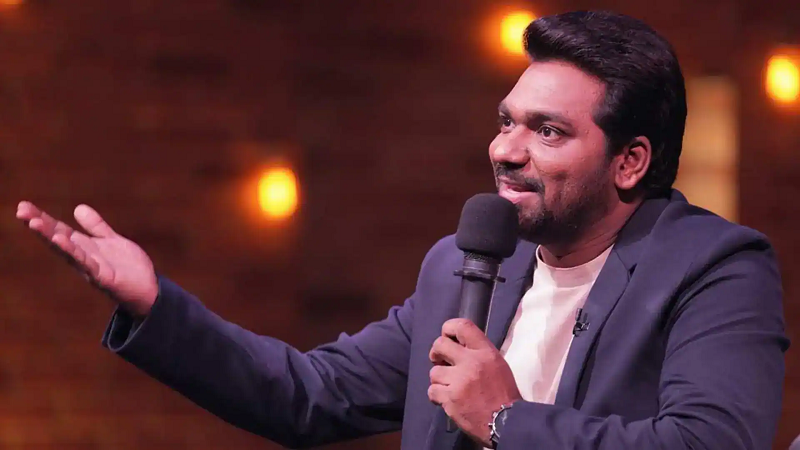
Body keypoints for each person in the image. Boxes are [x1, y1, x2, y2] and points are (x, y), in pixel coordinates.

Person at [16, 10, 788, 450]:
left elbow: (707, 446)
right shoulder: (463, 265)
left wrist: (506, 421)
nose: (506, 150)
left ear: (630, 161)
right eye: (507, 122)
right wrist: (155, 303)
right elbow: (309, 394)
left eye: (548, 132)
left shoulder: (713, 268)